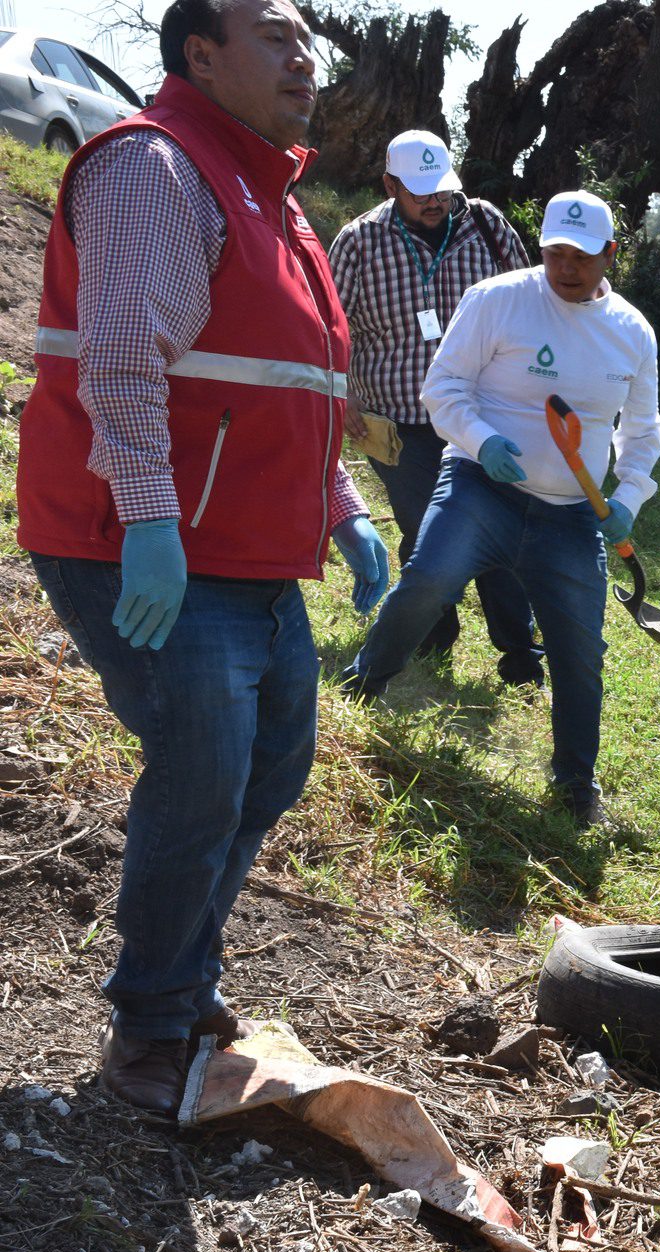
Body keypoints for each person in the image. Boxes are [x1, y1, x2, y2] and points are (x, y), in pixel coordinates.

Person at [15, 0, 388, 1115]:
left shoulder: (271, 196)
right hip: (147, 542)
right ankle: (152, 1019)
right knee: (203, 773)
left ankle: (181, 977)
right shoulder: (154, 168)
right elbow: (123, 362)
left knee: (270, 767)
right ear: (200, 54)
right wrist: (147, 519)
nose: (303, 56)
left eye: (305, 37)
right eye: (273, 35)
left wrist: (338, 507)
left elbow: (288, 388)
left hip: (247, 552)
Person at [341, 190, 660, 830]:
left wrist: (627, 495)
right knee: (430, 579)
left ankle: (576, 780)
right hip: (481, 488)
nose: (565, 266)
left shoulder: (632, 332)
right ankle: (367, 678)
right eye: (554, 252)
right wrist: (483, 441)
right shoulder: (497, 300)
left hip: (570, 515)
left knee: (580, 650)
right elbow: (444, 386)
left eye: (581, 255)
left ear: (610, 254)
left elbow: (644, 428)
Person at [328, 130, 543, 685]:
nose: (435, 202)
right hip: (400, 420)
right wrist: (341, 393)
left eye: (442, 189)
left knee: (500, 529)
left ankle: (520, 653)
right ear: (390, 185)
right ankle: (433, 634)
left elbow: (528, 303)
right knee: (428, 530)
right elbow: (329, 326)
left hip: (484, 416)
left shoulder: (487, 227)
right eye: (419, 191)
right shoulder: (360, 242)